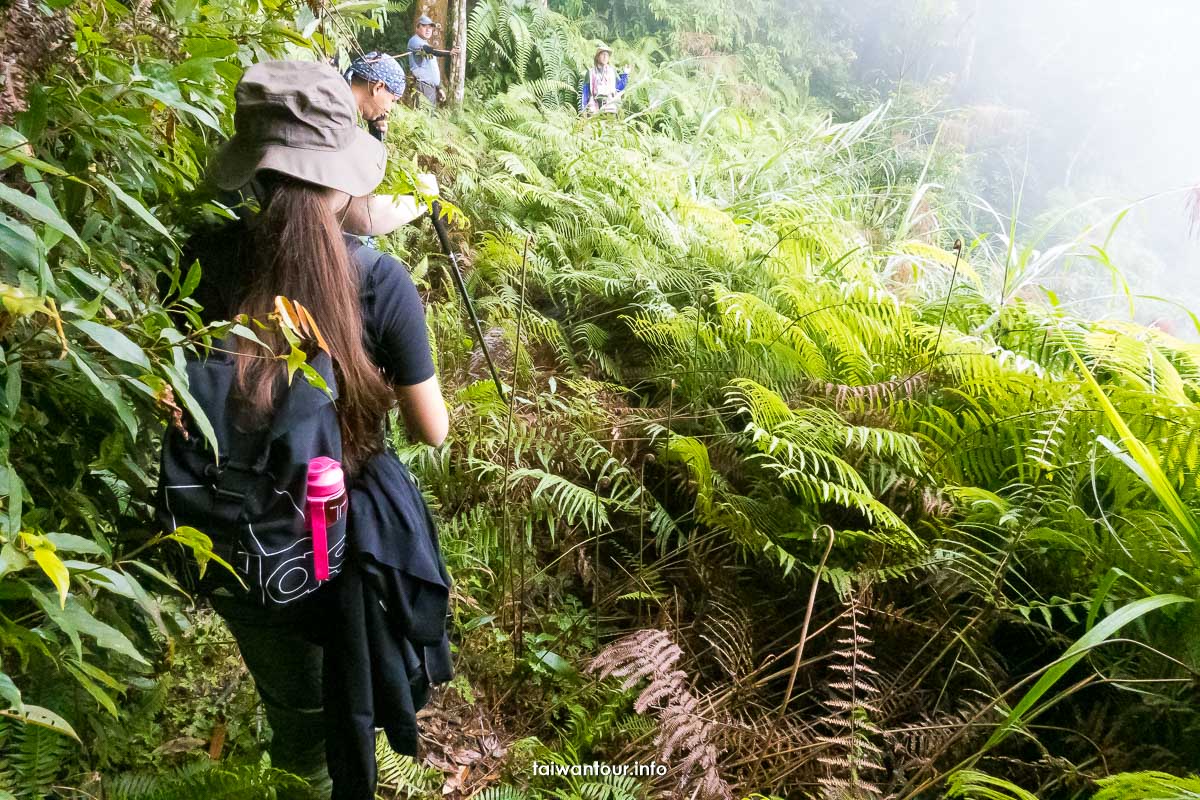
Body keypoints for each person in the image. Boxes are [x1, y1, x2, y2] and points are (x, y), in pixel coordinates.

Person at [188, 60, 449, 799]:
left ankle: (297, 765)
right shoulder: (380, 281)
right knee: (353, 681)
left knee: (292, 701)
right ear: (343, 171)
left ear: (254, 172)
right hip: (348, 534)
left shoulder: (205, 256)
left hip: (242, 525)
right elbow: (432, 429)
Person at [344, 51, 407, 140]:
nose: (389, 110)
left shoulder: (337, 96)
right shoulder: (341, 120)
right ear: (378, 87)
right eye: (392, 100)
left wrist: (375, 132)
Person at [407, 14, 459, 108]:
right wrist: (449, 53)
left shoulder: (425, 43)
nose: (428, 30)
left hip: (431, 88)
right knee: (424, 117)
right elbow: (430, 50)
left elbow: (431, 68)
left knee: (429, 116)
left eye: (430, 28)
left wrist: (438, 88)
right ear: (417, 28)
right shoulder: (414, 41)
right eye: (424, 26)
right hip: (422, 86)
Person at [580, 43, 629, 114]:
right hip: (594, 106)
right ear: (597, 57)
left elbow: (619, 88)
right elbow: (585, 92)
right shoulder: (590, 72)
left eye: (607, 55)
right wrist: (583, 110)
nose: (605, 57)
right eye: (603, 54)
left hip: (610, 107)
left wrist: (625, 74)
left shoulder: (612, 71)